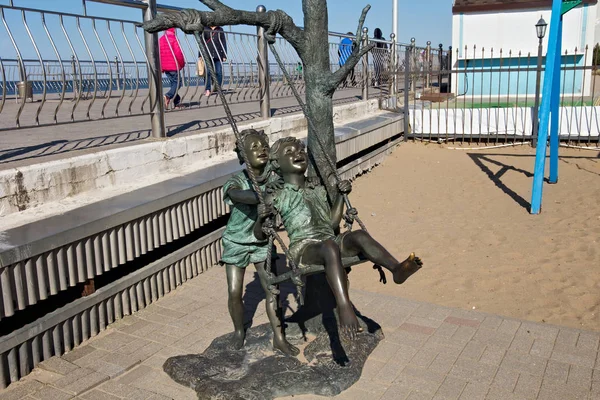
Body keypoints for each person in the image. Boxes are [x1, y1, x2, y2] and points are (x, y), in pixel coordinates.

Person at [257, 137, 423, 338]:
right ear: (276, 163)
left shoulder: (316, 189)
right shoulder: (277, 195)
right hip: (303, 250)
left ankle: (396, 269)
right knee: (329, 247)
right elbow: (261, 234)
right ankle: (344, 307)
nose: (298, 154)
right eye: (290, 152)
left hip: (329, 242)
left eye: (300, 150)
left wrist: (339, 197)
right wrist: (261, 218)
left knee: (359, 236)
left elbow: (331, 223)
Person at [221, 129, 299, 356]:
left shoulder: (274, 179)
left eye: (263, 146)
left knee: (272, 290)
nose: (261, 150)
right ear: (243, 156)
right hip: (236, 242)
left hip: (262, 241)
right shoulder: (235, 181)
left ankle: (279, 337)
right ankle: (238, 331)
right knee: (235, 292)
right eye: (253, 148)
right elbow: (237, 196)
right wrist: (263, 197)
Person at [159, 28, 185, 109]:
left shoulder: (161, 39)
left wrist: (161, 67)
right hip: (174, 65)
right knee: (178, 83)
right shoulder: (173, 38)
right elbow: (178, 53)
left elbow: (159, 54)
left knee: (173, 84)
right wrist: (182, 63)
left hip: (165, 66)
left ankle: (176, 103)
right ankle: (168, 96)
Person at [202, 26, 227, 97]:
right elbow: (202, 42)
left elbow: (223, 42)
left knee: (219, 72)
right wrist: (200, 55)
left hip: (218, 54)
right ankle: (208, 89)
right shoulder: (205, 29)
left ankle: (218, 88)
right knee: (208, 72)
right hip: (207, 54)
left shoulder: (220, 29)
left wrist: (224, 55)